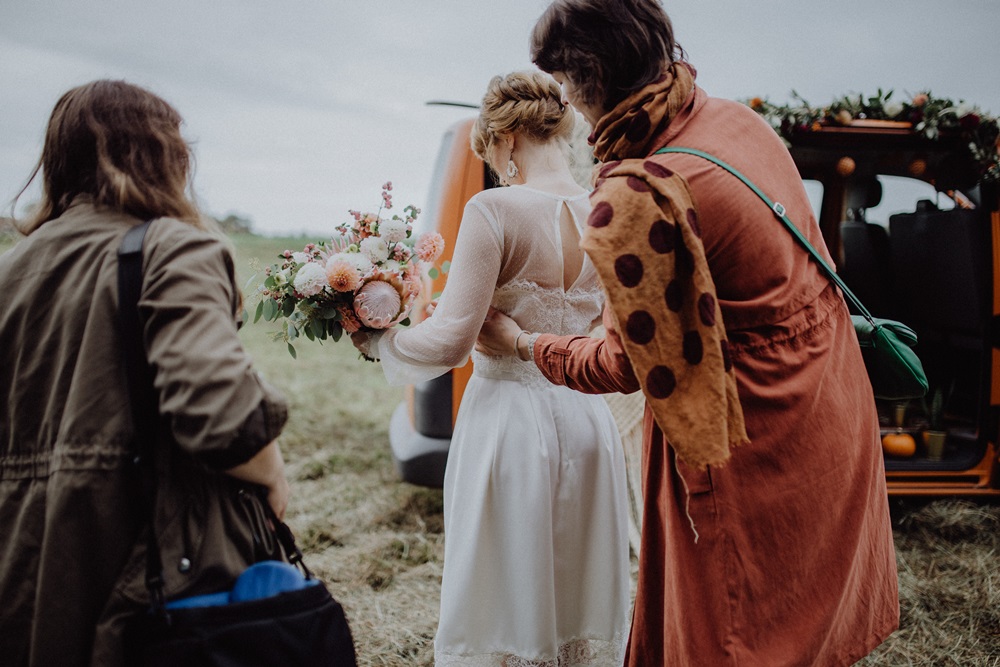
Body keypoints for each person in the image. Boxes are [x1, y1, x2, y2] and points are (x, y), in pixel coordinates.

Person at [476, 1, 900, 665]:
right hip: (832, 399)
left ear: (590, 75)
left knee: (732, 630)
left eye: (564, 81)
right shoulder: (736, 119)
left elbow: (622, 365)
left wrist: (523, 344)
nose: (565, 102)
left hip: (747, 429)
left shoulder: (641, 193)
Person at [0, 80, 290, 667]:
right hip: (140, 550)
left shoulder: (11, 269)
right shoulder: (173, 250)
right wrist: (273, 472)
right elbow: (226, 419)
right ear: (162, 155)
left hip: (20, 555)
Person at [354, 71, 631, 666]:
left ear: (504, 139)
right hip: (586, 420)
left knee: (506, 591)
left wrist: (380, 338)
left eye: (492, 154)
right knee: (574, 592)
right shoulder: (602, 209)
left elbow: (453, 341)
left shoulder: (494, 209)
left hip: (508, 424)